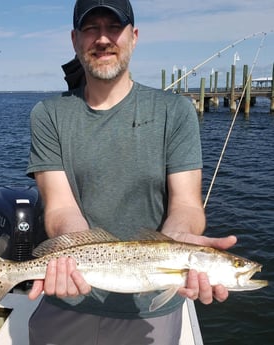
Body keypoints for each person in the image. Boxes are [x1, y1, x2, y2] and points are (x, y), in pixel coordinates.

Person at [26, 0, 237, 344]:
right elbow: (61, 208)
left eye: (114, 27)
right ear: (74, 40)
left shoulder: (176, 111)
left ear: (134, 36)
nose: (103, 38)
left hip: (150, 307)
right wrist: (73, 257)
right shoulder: (49, 114)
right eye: (91, 28)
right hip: (67, 298)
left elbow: (186, 205)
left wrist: (178, 246)